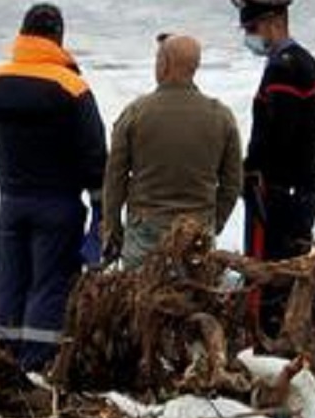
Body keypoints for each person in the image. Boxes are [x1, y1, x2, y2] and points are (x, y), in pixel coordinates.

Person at [0, 4, 106, 371]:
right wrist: (101, 208)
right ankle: (35, 366)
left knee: (11, 280)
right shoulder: (71, 86)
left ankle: (6, 356)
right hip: (57, 202)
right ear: (59, 38)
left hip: (10, 199)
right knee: (49, 285)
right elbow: (94, 152)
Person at [102, 34, 242, 268]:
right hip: (198, 229)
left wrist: (112, 229)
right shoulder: (221, 116)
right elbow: (232, 182)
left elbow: (114, 178)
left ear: (164, 63)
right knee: (194, 296)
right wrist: (213, 224)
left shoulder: (136, 112)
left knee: (141, 297)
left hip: (145, 228)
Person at [231, 0, 315, 336]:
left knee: (265, 274)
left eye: (253, 28)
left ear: (275, 23)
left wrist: (252, 172)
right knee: (292, 268)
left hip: (277, 188)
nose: (250, 37)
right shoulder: (305, 63)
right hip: (303, 184)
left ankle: (265, 342)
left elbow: (278, 134)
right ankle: (290, 335)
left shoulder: (284, 68)